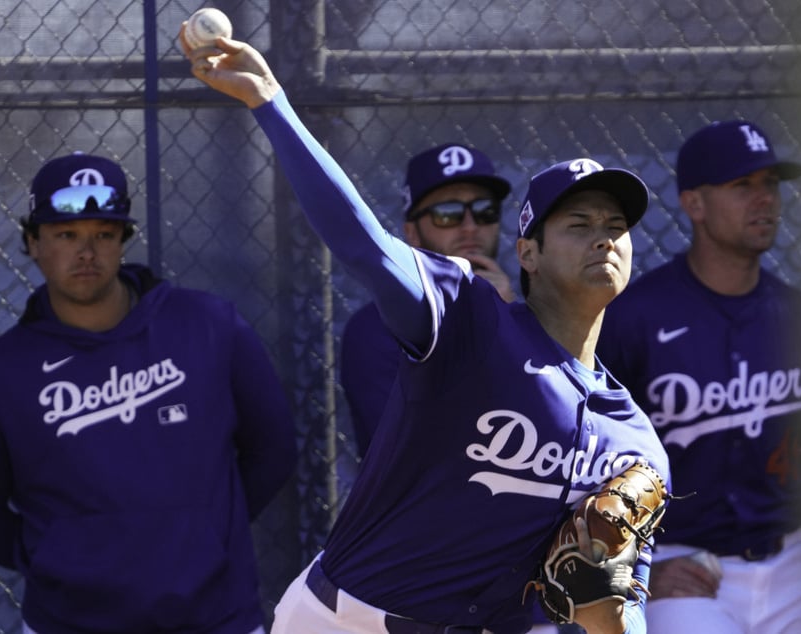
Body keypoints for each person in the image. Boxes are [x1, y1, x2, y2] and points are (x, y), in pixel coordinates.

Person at [183, 29, 670, 634]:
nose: (604, 236)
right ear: (529, 252)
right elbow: (362, 244)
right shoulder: (468, 317)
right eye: (578, 222)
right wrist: (270, 102)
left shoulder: (635, 444)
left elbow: (621, 614)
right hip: (344, 620)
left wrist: (613, 614)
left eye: (616, 225)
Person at [0, 152, 298, 634]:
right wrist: (60, 556)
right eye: (66, 235)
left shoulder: (210, 326)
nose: (86, 252)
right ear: (33, 243)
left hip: (216, 618)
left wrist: (205, 533)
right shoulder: (1, 375)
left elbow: (273, 449)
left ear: (123, 242)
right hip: (69, 623)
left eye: (103, 235)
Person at [597, 119, 801, 633]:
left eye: (769, 185)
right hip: (681, 564)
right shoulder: (633, 318)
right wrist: (630, 570)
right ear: (693, 204)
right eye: (742, 186)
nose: (764, 200)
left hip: (793, 560)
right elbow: (584, 455)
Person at [341, 142, 516, 458]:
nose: (470, 227)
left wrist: (505, 318)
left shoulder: (526, 314)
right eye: (447, 214)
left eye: (484, 211)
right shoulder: (375, 327)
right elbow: (412, 450)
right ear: (413, 233)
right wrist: (488, 325)